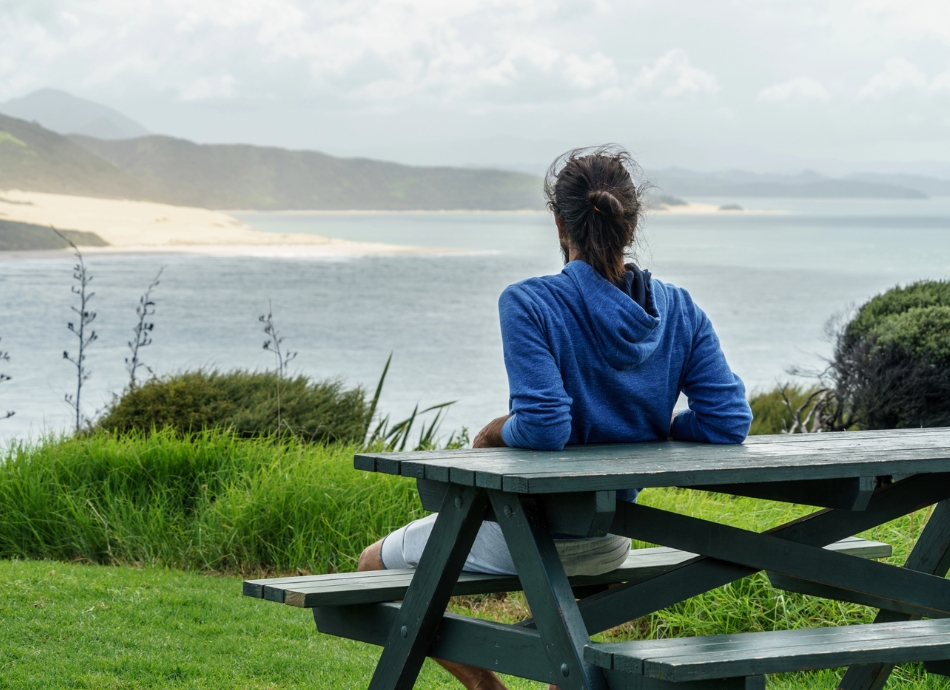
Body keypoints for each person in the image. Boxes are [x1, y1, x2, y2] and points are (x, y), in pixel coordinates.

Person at [357, 145, 753, 690]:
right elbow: (727, 420)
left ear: (557, 220)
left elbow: (544, 426)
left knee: (370, 568)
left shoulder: (530, 303)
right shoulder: (679, 309)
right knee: (561, 632)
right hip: (613, 537)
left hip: (534, 536)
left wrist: (496, 430)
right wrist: (657, 426)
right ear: (631, 222)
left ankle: (484, 685)